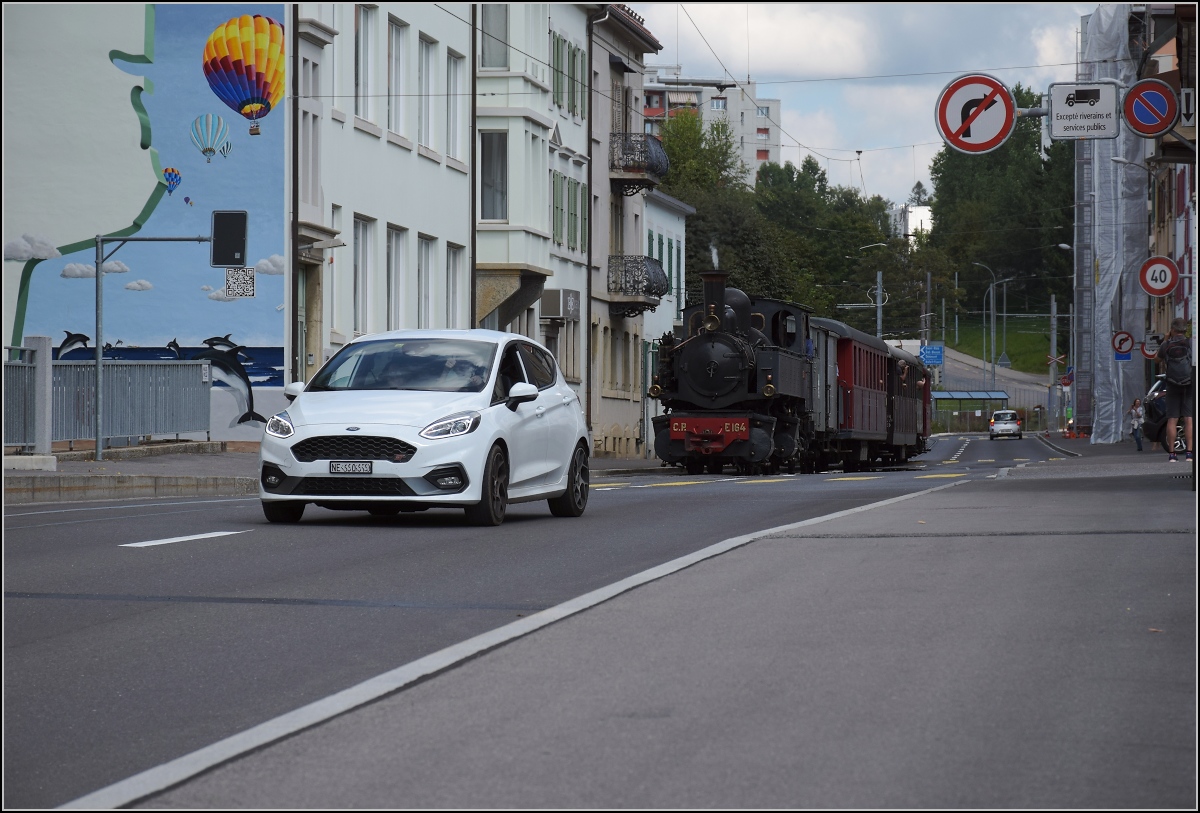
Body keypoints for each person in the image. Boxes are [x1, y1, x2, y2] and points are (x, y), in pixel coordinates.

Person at [1154, 317, 1193, 463]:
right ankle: (1189, 453)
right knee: (1189, 418)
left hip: (1172, 384)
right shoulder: (1191, 342)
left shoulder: (1166, 344)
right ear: (1185, 330)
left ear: (1172, 329)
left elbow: (1156, 359)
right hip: (1189, 384)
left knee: (1172, 419)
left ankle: (1172, 454)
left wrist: (1165, 340)